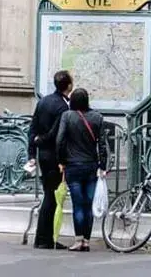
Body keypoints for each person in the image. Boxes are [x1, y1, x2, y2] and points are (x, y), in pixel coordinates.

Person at [56, 88, 107, 252]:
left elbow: (60, 140)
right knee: (89, 205)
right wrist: (103, 166)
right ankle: (87, 240)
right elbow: (103, 145)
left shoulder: (67, 116)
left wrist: (61, 161)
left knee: (78, 205)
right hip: (91, 166)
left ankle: (78, 240)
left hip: (72, 166)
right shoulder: (97, 117)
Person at [28, 70, 73, 250]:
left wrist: (32, 152)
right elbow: (57, 134)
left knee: (49, 195)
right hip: (54, 156)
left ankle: (43, 237)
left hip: (43, 155)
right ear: (69, 85)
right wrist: (62, 160)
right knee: (51, 197)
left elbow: (32, 128)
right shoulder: (62, 107)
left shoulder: (44, 101)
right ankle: (44, 239)